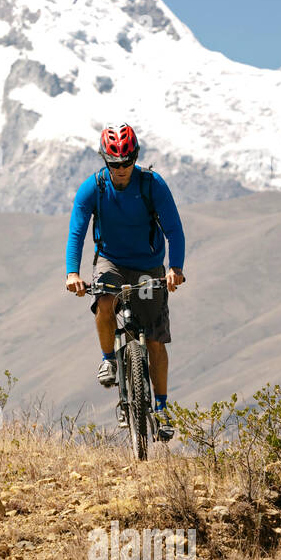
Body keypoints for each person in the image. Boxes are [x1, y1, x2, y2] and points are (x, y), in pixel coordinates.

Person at [64, 123, 186, 440]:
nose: (121, 170)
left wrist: (175, 268)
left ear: (135, 157)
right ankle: (108, 360)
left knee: (156, 340)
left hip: (148, 265)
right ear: (106, 161)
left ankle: (160, 408)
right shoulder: (93, 188)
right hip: (111, 260)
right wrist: (72, 273)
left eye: (126, 162)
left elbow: (174, 229)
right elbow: (77, 231)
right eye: (114, 164)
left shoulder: (152, 185)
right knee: (104, 302)